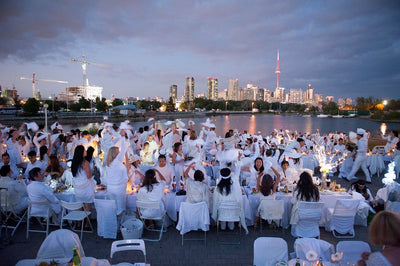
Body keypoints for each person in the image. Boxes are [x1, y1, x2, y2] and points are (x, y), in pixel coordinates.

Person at [212, 168, 248, 233]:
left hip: (222, 212)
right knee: (232, 207)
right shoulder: (235, 186)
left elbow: (215, 201)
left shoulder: (218, 187)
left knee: (221, 207)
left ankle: (223, 225)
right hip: (233, 211)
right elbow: (238, 199)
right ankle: (231, 224)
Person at [105, 132, 129, 217]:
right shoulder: (117, 161)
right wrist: (122, 137)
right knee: (121, 208)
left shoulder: (108, 164)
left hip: (110, 188)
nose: (119, 153)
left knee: (114, 207)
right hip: (119, 188)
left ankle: (114, 225)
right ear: (115, 154)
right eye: (118, 152)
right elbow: (123, 149)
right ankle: (121, 226)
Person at [71, 145, 95, 214]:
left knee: (79, 207)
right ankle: (87, 224)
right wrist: (92, 172)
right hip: (86, 188)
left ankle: (79, 223)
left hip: (78, 188)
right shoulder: (85, 162)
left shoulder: (74, 163)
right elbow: (89, 176)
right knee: (88, 208)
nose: (85, 151)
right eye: (84, 150)